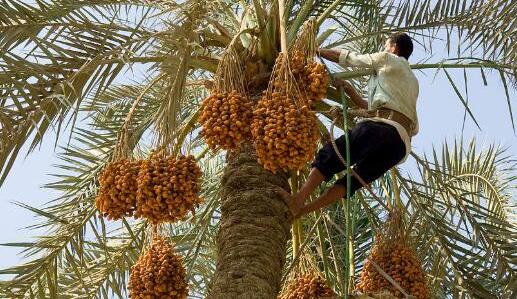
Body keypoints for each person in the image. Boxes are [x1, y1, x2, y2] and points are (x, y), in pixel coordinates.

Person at [278, 32, 419, 219]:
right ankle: (302, 211)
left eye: (385, 45)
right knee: (353, 182)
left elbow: (347, 58)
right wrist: (351, 92)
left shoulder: (388, 59)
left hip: (382, 128)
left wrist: (316, 50)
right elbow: (378, 108)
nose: (383, 49)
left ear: (393, 48)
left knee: (332, 154)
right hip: (399, 145)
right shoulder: (411, 80)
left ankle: (298, 200)